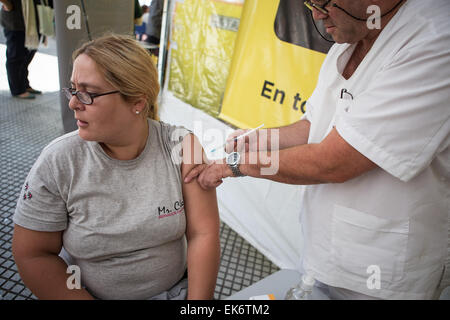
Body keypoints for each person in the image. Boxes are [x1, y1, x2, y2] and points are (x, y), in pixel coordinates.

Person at [185, 0, 450, 299]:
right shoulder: (349, 37)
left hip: (383, 269)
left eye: (324, 1)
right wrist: (262, 140)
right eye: (309, 2)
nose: (316, 14)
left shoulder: (436, 38)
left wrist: (234, 165)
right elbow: (317, 123)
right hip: (327, 251)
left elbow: (335, 162)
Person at [12, 34, 220, 300]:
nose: (73, 103)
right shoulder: (59, 162)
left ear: (137, 102)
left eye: (88, 94)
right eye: (73, 89)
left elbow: (203, 233)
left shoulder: (182, 146)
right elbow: (33, 254)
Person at [0, 0, 41, 99]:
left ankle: (24, 84)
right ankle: (17, 89)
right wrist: (8, 5)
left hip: (32, 17)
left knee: (27, 54)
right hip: (16, 17)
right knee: (16, 54)